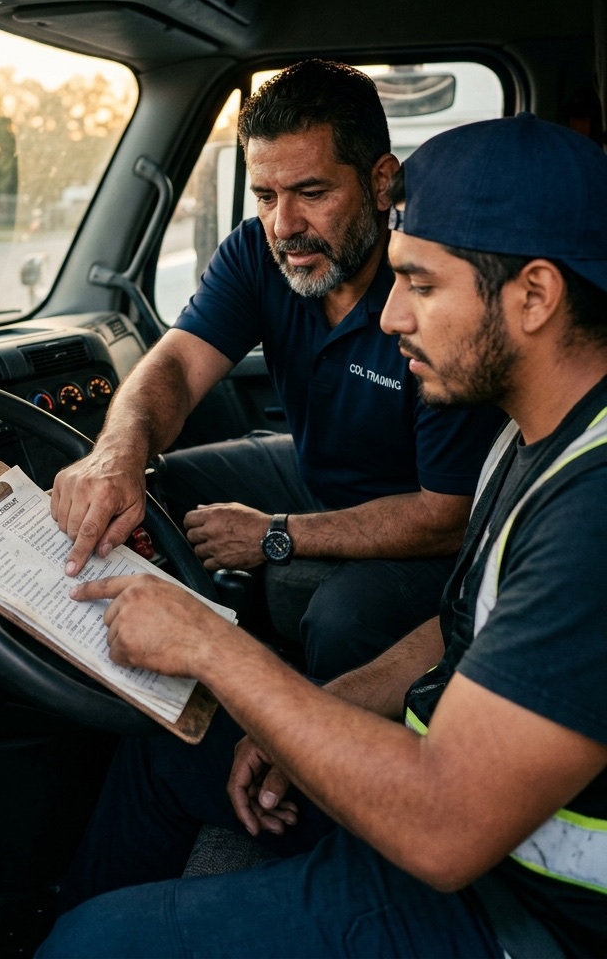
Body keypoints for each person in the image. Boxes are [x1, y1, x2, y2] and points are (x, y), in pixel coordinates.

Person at [38, 113, 607, 959]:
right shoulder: (538, 434)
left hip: (517, 912)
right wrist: (321, 710)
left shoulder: (591, 516)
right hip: (458, 806)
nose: (390, 318)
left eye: (420, 284)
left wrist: (212, 647)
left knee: (89, 946)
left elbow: (447, 830)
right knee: (168, 750)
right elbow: (460, 636)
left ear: (533, 295)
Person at [52, 59, 502, 678]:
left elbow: (445, 516)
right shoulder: (255, 253)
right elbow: (179, 365)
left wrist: (275, 534)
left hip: (426, 523)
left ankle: (313, 746)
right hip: (311, 470)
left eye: (312, 193)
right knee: (151, 490)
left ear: (379, 182)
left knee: (341, 620)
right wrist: (116, 454)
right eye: (266, 196)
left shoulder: (427, 296)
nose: (284, 226)